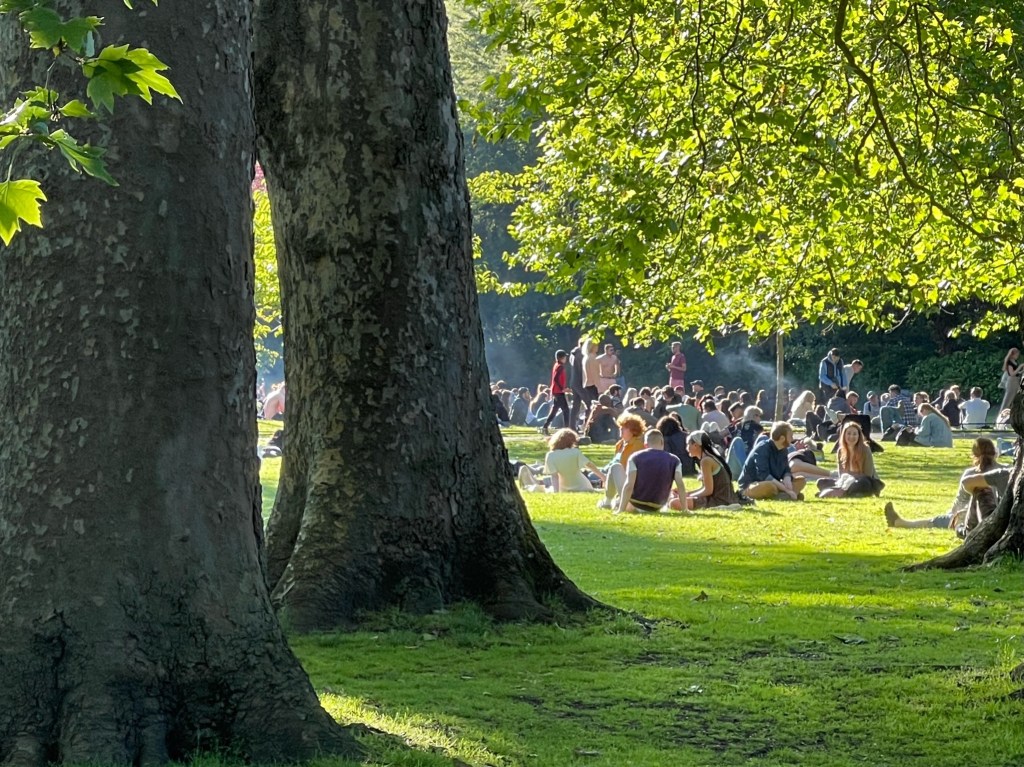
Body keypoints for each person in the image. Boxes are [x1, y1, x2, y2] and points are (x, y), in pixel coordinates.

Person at [885, 438, 1010, 533]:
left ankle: (900, 523)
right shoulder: (1007, 470)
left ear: (973, 455)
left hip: (976, 518)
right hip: (1003, 516)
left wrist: (951, 514)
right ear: (995, 453)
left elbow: (960, 502)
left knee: (940, 520)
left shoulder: (971, 475)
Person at [614, 429, 687, 514]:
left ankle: (607, 500)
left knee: (615, 467)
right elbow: (680, 485)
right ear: (662, 443)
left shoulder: (635, 457)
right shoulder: (675, 460)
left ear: (645, 445)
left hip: (636, 503)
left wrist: (621, 509)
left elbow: (629, 485)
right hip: (658, 506)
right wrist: (685, 509)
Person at [737, 422, 807, 500]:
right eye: (790, 436)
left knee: (801, 480)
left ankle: (784, 495)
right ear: (782, 438)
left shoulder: (783, 450)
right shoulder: (762, 448)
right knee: (770, 486)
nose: (792, 439)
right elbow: (765, 476)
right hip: (755, 484)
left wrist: (787, 478)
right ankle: (786, 495)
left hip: (776, 483)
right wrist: (786, 489)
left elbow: (786, 469)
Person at [815, 421, 882, 498]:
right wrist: (845, 481)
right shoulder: (840, 451)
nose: (851, 437)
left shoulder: (865, 449)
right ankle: (844, 493)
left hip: (862, 481)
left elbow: (868, 475)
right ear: (844, 435)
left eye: (854, 434)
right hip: (845, 481)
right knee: (821, 482)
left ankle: (837, 492)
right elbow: (841, 475)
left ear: (859, 436)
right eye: (849, 434)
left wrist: (851, 479)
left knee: (863, 482)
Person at [598, 413, 647, 508]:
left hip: (633, 483)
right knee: (613, 468)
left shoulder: (638, 445)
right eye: (621, 427)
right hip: (620, 479)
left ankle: (610, 501)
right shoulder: (619, 444)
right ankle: (611, 500)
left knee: (615, 467)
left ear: (633, 431)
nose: (621, 429)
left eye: (624, 427)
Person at [685, 430, 740, 509]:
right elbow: (705, 488)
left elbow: (708, 490)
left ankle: (723, 507)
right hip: (723, 498)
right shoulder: (709, 458)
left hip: (718, 500)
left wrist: (688, 496)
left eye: (688, 444)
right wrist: (687, 494)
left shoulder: (706, 461)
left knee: (674, 503)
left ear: (696, 445)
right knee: (676, 500)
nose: (687, 448)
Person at [542, 428, 605, 492]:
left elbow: (554, 476)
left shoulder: (550, 455)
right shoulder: (575, 452)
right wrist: (603, 477)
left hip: (563, 488)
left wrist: (556, 491)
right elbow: (590, 465)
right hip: (582, 486)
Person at [541, 350, 571, 435]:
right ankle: (566, 429)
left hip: (555, 391)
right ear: (561, 358)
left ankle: (545, 426)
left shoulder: (556, 365)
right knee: (566, 410)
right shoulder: (560, 367)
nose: (566, 358)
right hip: (558, 391)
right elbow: (556, 379)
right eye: (565, 357)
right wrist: (563, 389)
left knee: (555, 409)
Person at [567, 337, 588, 430]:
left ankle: (571, 426)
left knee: (576, 405)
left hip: (573, 381)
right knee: (589, 403)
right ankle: (587, 425)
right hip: (579, 381)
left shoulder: (573, 354)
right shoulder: (580, 354)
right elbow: (581, 370)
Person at [999, 347, 1022, 413]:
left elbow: (1016, 372)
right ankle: (1001, 415)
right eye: (1016, 355)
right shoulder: (1009, 362)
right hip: (1011, 381)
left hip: (1015, 381)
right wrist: (1020, 367)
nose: (1017, 357)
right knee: (1008, 400)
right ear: (1012, 355)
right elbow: (1011, 374)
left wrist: (1021, 371)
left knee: (1015, 399)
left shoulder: (1014, 362)